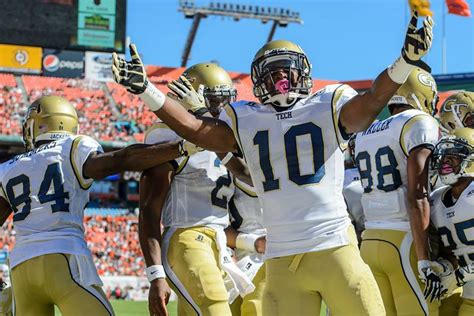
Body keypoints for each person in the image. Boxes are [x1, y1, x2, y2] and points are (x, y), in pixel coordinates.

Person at [114, 11, 433, 315]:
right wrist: (146, 89)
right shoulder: (247, 119)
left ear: (303, 73)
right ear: (258, 80)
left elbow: (374, 98)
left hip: (334, 246)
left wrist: (405, 61)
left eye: (285, 68)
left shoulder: (327, 105)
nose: (279, 75)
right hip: (281, 259)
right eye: (271, 70)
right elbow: (196, 130)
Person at [0, 96, 200, 316]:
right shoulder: (72, 146)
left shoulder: (8, 167)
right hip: (63, 257)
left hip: (21, 267)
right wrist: (183, 146)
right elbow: (122, 159)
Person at [139, 63, 254, 316]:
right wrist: (155, 273)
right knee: (215, 308)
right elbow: (149, 209)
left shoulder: (229, 139)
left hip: (220, 242)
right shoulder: (167, 135)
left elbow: (250, 175)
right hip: (187, 237)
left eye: (225, 101)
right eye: (215, 101)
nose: (222, 109)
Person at [354, 68, 441, 315]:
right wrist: (424, 259)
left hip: (370, 239)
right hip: (404, 239)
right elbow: (417, 194)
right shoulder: (419, 122)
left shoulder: (365, 131)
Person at [429, 128, 474, 316]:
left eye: (453, 155)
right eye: (444, 155)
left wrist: (463, 273)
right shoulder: (435, 199)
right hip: (467, 291)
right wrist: (446, 266)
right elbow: (450, 249)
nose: (445, 161)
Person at [225, 176, 266, 316]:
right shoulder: (224, 172)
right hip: (235, 261)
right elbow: (216, 227)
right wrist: (254, 242)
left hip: (277, 258)